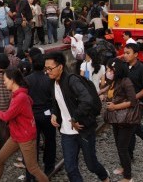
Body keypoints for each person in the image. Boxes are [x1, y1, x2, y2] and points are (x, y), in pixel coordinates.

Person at [45, 51, 110, 182]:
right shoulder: (52, 83)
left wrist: (74, 118)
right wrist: (54, 113)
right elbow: (56, 102)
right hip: (66, 132)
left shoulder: (72, 80)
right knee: (70, 168)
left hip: (83, 129)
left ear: (60, 67)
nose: (47, 72)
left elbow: (87, 100)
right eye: (45, 69)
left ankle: (105, 177)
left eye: (50, 68)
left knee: (91, 165)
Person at [0, 69, 49, 182]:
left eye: (5, 80)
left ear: (12, 80)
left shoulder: (20, 97)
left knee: (32, 168)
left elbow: (6, 117)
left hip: (25, 137)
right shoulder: (18, 94)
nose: (4, 82)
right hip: (17, 135)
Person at [105, 58, 138, 182]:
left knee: (122, 147)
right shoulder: (115, 81)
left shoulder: (126, 82)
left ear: (116, 70)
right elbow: (111, 93)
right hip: (116, 119)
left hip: (125, 120)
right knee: (119, 146)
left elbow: (133, 102)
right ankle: (124, 167)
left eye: (109, 69)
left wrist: (115, 106)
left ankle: (128, 177)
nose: (108, 71)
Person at [25, 54, 56, 177]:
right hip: (47, 114)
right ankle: (49, 165)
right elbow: (54, 98)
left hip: (32, 115)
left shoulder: (27, 79)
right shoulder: (49, 79)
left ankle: (32, 168)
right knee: (50, 140)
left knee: (33, 143)